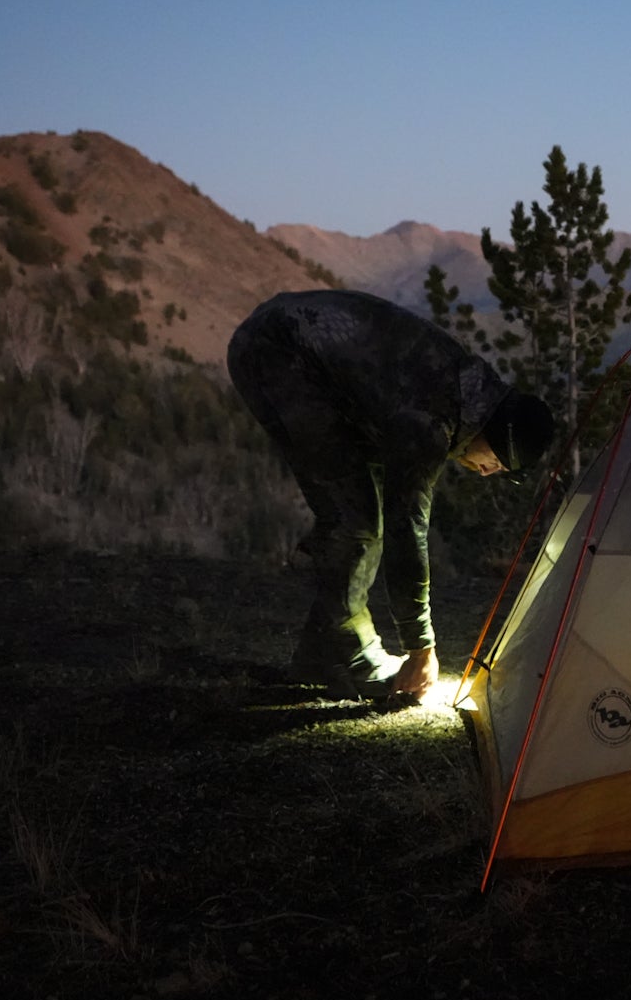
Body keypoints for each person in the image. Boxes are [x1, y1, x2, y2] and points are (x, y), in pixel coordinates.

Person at [227, 289, 556, 707]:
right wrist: (422, 648)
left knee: (363, 507)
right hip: (274, 352)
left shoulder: (466, 390)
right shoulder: (430, 422)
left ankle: (322, 648)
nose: (489, 472)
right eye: (497, 464)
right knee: (355, 518)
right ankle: (347, 655)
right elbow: (407, 532)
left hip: (290, 340)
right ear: (491, 436)